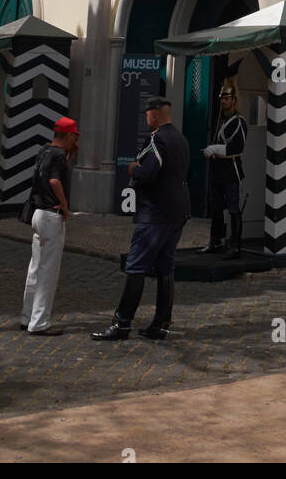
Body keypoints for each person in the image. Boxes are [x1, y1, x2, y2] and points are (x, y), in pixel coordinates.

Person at [92, 96, 190, 342]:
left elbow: (148, 171)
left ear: (154, 114)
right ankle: (161, 324)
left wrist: (133, 168)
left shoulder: (157, 139)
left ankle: (121, 323)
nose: (146, 117)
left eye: (147, 113)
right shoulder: (181, 138)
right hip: (178, 211)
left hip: (156, 212)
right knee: (166, 267)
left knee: (136, 265)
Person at [21, 115, 80, 336]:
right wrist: (64, 204)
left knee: (35, 269)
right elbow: (55, 181)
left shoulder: (44, 151)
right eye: (75, 136)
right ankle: (39, 323)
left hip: (37, 213)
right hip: (50, 215)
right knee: (48, 272)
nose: (76, 141)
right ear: (69, 135)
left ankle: (27, 316)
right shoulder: (57, 156)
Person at [200, 77, 248, 259]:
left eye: (226, 98)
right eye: (222, 98)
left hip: (231, 170)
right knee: (216, 207)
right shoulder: (221, 119)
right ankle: (216, 241)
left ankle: (235, 246)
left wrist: (214, 149)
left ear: (234, 100)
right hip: (218, 170)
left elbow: (237, 148)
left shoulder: (239, 121)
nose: (223, 101)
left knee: (234, 208)